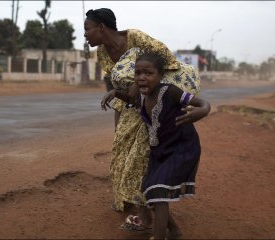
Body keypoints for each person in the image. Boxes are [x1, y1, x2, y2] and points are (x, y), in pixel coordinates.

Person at [84, 8, 201, 230]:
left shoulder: (134, 37)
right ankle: (136, 205)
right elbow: (115, 85)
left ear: (101, 28)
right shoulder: (101, 53)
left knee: (140, 159)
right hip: (130, 102)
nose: (85, 35)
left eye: (87, 29)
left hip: (152, 100)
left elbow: (166, 58)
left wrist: (140, 82)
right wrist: (118, 125)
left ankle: (147, 217)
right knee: (120, 153)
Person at [101, 51, 211, 239]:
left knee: (158, 192)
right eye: (138, 73)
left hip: (181, 147)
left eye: (148, 73)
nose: (142, 77)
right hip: (159, 149)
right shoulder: (141, 92)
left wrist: (202, 111)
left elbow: (202, 103)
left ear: (160, 75)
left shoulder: (169, 91)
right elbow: (130, 99)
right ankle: (174, 231)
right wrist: (115, 92)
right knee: (149, 192)